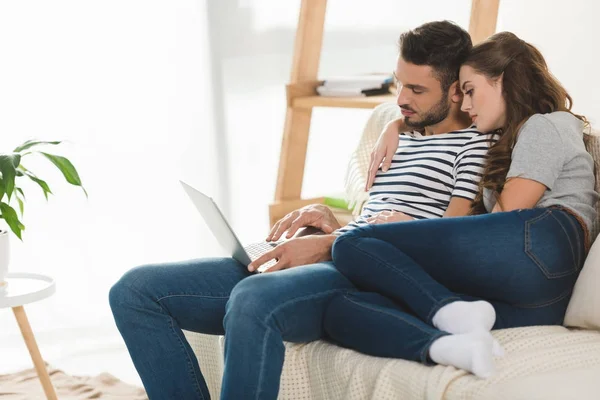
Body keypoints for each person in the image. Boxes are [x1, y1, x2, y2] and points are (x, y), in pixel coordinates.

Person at [108, 21, 491, 399]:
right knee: (135, 291)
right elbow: (375, 216)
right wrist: (330, 222)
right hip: (339, 251)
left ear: (457, 91)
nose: (401, 99)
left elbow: (443, 239)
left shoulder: (474, 146)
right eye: (399, 83)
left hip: (363, 277)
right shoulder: (400, 132)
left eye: (417, 89)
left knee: (252, 297)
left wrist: (329, 244)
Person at [323, 31, 598, 379]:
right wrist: (395, 123)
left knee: (351, 244)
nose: (465, 105)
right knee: (341, 309)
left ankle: (449, 308)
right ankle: (451, 345)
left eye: (470, 91)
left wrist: (407, 230)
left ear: (505, 82)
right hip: (545, 298)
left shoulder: (547, 124)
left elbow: (509, 217)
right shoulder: (502, 140)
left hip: (544, 242)